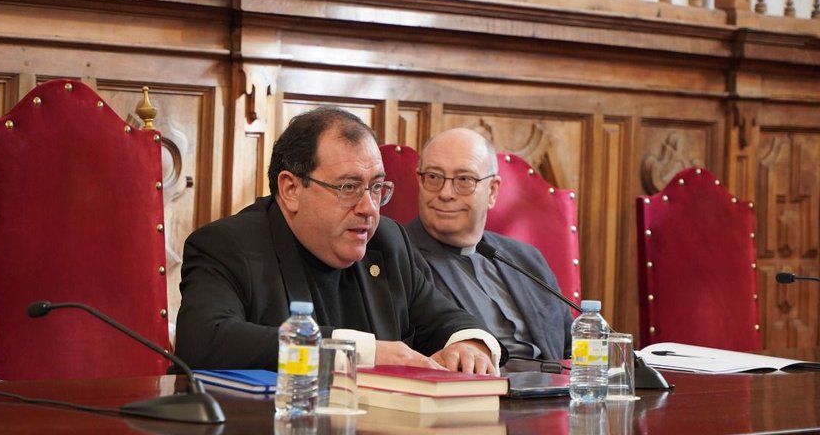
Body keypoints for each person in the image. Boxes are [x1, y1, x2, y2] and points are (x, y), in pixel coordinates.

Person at [176, 107, 500, 373]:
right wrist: (363, 352)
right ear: (291, 189)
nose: (369, 208)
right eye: (348, 188)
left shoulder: (386, 242)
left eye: (376, 187)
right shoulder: (228, 245)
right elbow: (204, 340)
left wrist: (469, 343)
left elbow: (445, 318)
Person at [404, 127, 572, 363]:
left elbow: (572, 347)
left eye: (464, 180)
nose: (445, 193)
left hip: (554, 383)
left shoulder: (526, 259)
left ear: (492, 191)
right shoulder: (400, 256)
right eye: (433, 177)